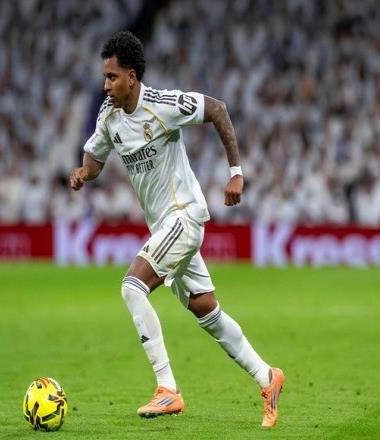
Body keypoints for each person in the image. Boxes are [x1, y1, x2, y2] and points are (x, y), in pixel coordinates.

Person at [70, 31, 285, 427]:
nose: (106, 85)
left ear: (132, 77)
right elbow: (95, 157)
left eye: (112, 77)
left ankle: (167, 388)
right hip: (164, 226)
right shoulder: (109, 115)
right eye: (104, 77)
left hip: (183, 217)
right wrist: (85, 172)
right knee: (206, 309)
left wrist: (236, 173)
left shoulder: (162, 105)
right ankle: (267, 376)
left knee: (132, 287)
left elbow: (217, 109)